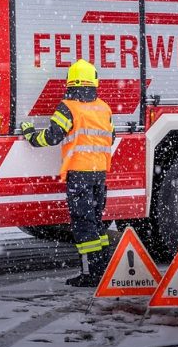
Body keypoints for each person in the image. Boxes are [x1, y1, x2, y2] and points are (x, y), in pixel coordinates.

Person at [20, 59, 114, 287]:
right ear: (94, 81)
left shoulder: (68, 107)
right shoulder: (104, 107)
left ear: (70, 82)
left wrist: (31, 134)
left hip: (79, 173)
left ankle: (90, 274)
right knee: (96, 222)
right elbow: (112, 137)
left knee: (83, 224)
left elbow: (52, 137)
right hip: (99, 172)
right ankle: (102, 268)